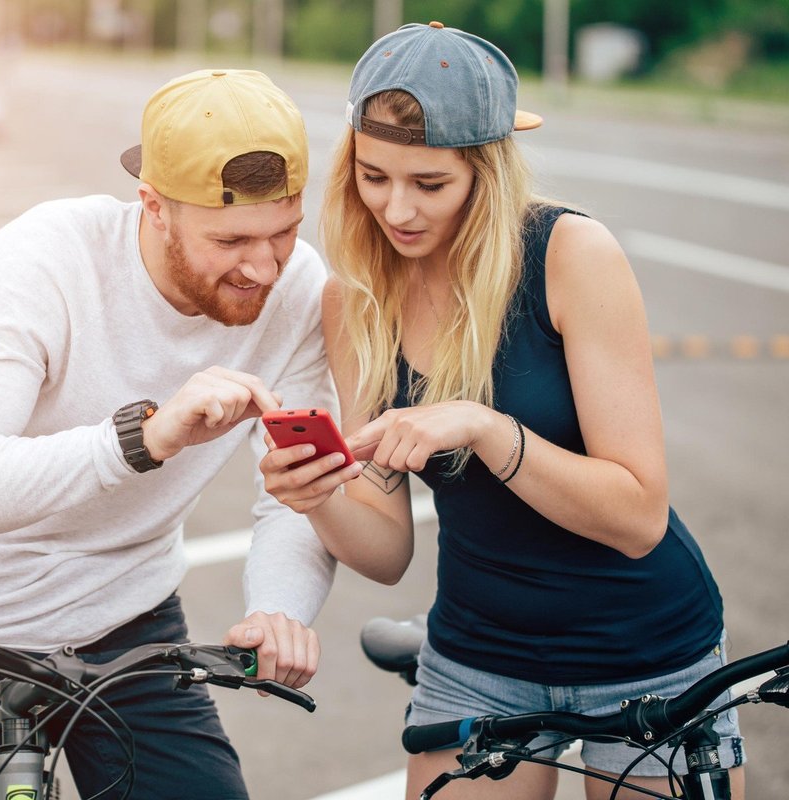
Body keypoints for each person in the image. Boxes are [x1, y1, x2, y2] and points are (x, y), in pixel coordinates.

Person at [259, 22, 744, 800]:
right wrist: (317, 496)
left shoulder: (570, 255)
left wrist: (488, 430)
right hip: (479, 657)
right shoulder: (352, 302)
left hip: (645, 651)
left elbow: (638, 515)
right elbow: (386, 554)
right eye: (374, 177)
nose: (396, 208)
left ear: (486, 171)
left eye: (430, 183)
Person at [0, 68, 338, 799]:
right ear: (153, 207)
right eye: (233, 238)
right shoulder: (49, 256)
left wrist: (279, 607)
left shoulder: (296, 286)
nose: (264, 266)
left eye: (285, 230)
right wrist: (140, 440)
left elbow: (295, 488)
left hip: (129, 623)